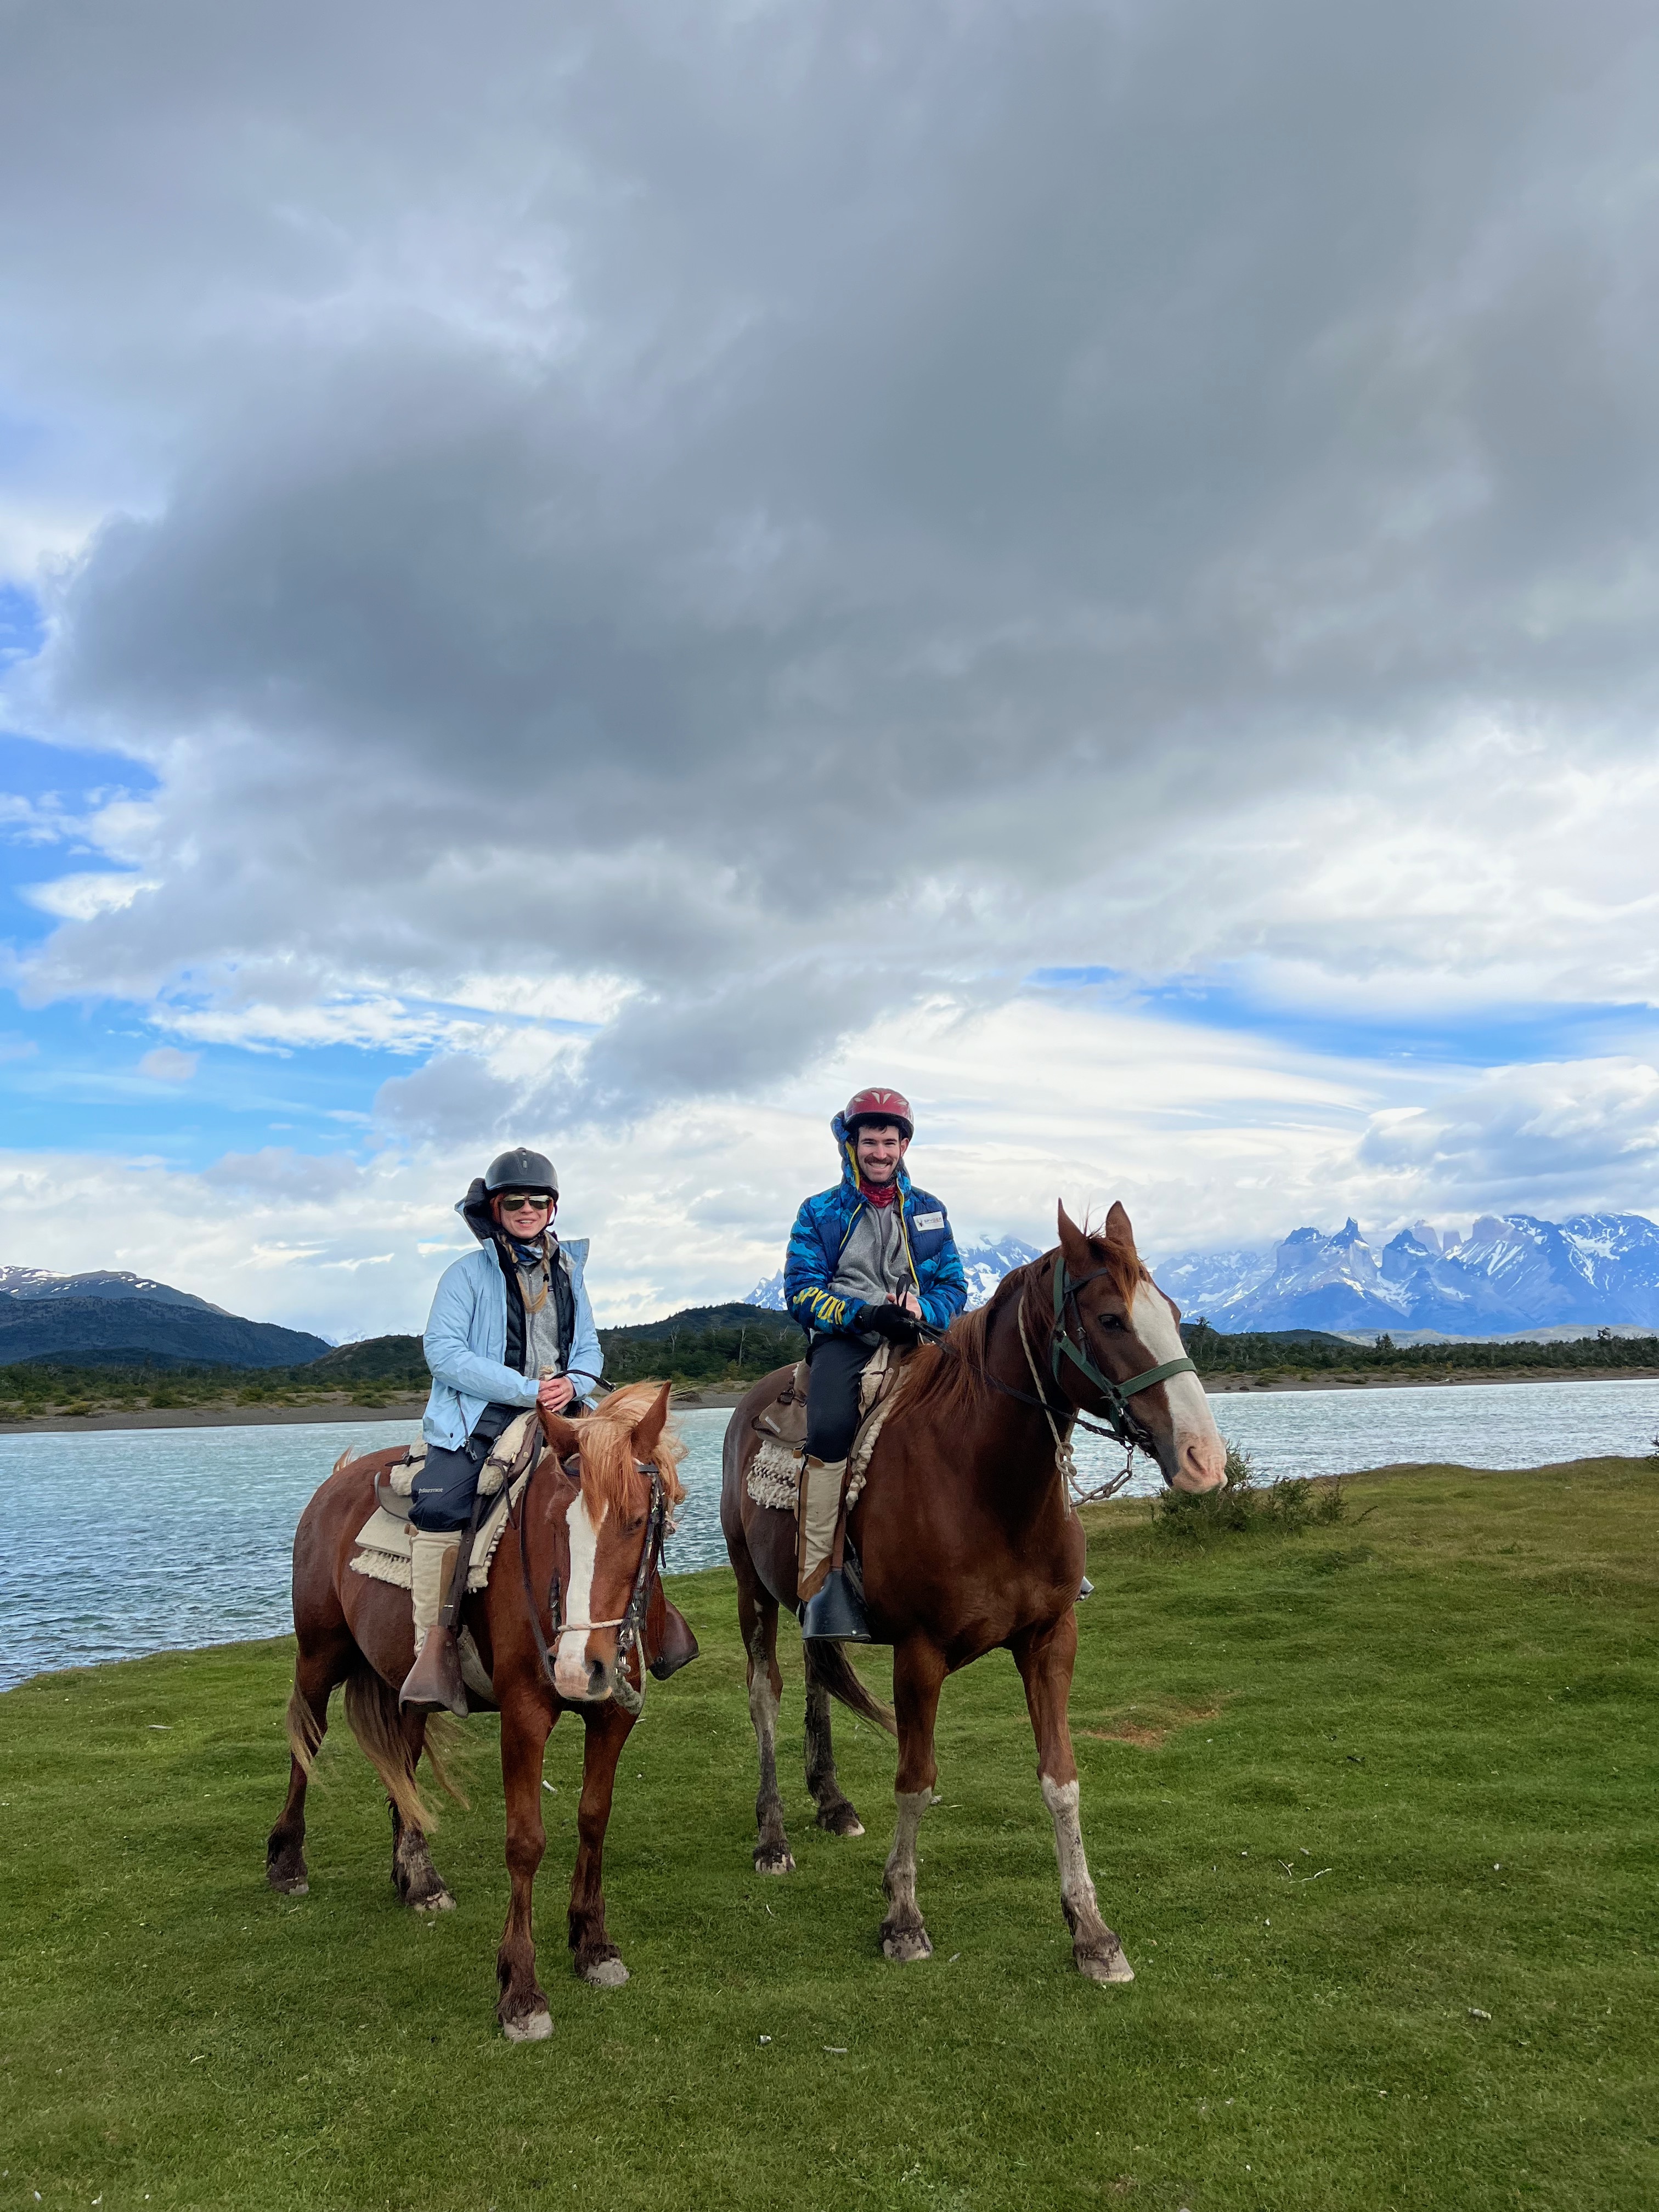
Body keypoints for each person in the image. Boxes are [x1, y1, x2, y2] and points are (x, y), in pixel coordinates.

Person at [399, 1146, 602, 1713]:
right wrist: (525, 1389)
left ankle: (643, 1627)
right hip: (480, 1416)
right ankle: (432, 1649)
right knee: (440, 1506)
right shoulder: (465, 1274)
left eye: (539, 1200)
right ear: (497, 1206)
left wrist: (575, 1382)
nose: (528, 1208)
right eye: (516, 1200)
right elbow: (443, 1352)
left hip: (561, 1408)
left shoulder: (569, 1272)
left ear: (552, 1208)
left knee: (631, 1482)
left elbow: (588, 1348)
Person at [782, 1087, 967, 1643]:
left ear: (905, 1145)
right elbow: (801, 1292)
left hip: (919, 1334)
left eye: (890, 1141)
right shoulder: (819, 1211)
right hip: (848, 1337)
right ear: (852, 1143)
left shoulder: (930, 1209)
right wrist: (863, 1315)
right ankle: (818, 1581)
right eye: (870, 1141)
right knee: (832, 1427)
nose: (880, 1152)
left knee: (983, 1407)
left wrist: (923, 1309)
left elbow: (954, 1285)